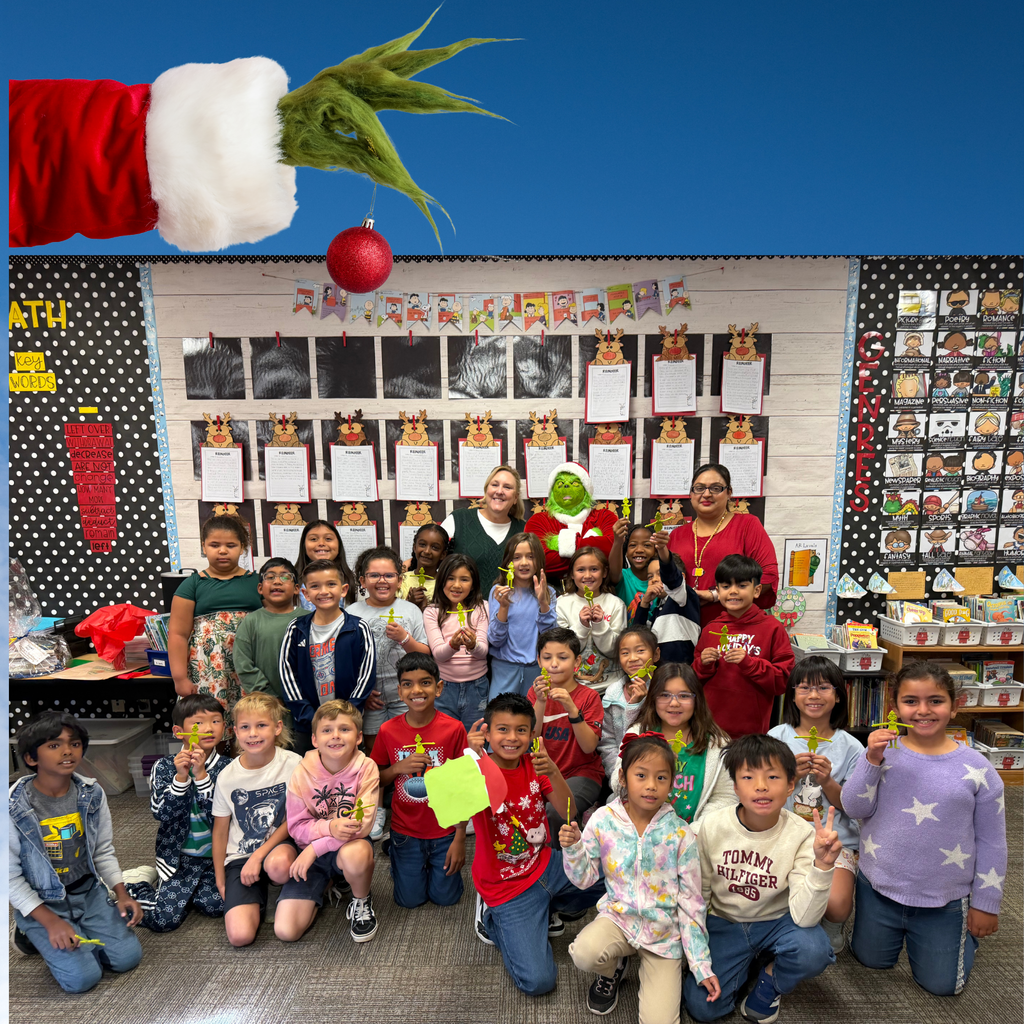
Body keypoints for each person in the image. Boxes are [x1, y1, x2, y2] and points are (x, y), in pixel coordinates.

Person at [843, 662, 1007, 996]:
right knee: (870, 960)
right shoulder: (882, 753)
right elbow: (854, 807)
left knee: (942, 986)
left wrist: (986, 902)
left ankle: (960, 935)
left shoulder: (979, 770)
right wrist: (870, 760)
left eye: (935, 700)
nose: (922, 711)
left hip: (943, 899)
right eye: (911, 701)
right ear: (895, 707)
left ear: (954, 706)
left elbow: (992, 840)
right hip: (878, 888)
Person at [560, 734, 720, 1020]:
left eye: (661, 778)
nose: (651, 785)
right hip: (618, 919)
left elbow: (692, 903)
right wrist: (573, 848)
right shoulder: (603, 820)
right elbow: (583, 880)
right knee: (584, 952)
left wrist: (700, 964)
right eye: (641, 775)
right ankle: (612, 969)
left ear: (672, 782)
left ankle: (656, 969)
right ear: (623, 777)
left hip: (663, 936)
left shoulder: (681, 835)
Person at [682, 735, 840, 1023]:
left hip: (776, 921)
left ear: (791, 784)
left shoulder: (802, 835)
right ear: (735, 786)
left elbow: (805, 919)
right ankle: (744, 962)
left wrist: (822, 866)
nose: (761, 786)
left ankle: (769, 978)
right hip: (723, 922)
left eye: (773, 776)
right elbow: (698, 895)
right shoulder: (709, 826)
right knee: (704, 1009)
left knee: (813, 950)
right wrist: (697, 952)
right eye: (748, 776)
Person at [471, 693, 605, 996]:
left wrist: (553, 771)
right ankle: (492, 917)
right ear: (487, 733)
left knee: (612, 873)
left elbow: (568, 811)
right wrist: (469, 758)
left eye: (521, 730)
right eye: (502, 729)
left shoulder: (535, 763)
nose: (511, 737)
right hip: (507, 887)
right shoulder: (475, 771)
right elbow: (446, 803)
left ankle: (550, 908)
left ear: (533, 734)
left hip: (546, 864)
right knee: (539, 982)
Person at [9, 713, 143, 993]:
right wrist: (50, 922)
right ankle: (28, 931)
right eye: (54, 745)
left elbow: (103, 851)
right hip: (44, 903)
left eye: (75, 743)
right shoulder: (12, 807)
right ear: (32, 758)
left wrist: (121, 894)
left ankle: (77, 928)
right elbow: (7, 877)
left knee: (127, 959)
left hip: (88, 891)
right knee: (82, 980)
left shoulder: (91, 794)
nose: (68, 751)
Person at [769, 656, 864, 953]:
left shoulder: (851, 747)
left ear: (838, 696)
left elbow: (854, 806)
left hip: (835, 841)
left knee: (835, 905)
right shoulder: (777, 738)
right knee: (771, 897)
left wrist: (828, 783)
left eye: (823, 688)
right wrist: (789, 778)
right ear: (792, 696)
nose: (813, 696)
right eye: (804, 688)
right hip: (783, 834)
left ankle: (834, 926)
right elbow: (761, 798)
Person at [371, 653, 478, 908]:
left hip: (445, 831)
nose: (416, 690)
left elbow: (464, 787)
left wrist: (460, 836)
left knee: (446, 898)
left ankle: (420, 864)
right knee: (409, 901)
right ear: (399, 691)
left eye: (425, 682)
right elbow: (376, 779)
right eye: (408, 684)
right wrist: (398, 767)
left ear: (439, 687)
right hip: (406, 830)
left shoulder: (454, 729)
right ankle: (398, 856)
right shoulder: (388, 730)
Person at [122, 694, 229, 931]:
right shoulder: (164, 766)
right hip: (179, 859)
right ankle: (136, 884)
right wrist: (181, 778)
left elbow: (221, 819)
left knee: (216, 906)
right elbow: (161, 813)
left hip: (218, 859)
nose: (208, 728)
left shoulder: (228, 768)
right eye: (198, 723)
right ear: (180, 732)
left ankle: (189, 893)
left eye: (216, 721)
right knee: (164, 920)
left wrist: (201, 777)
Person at [282, 699, 380, 944]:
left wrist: (316, 848)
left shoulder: (366, 767)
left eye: (344, 729)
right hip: (309, 850)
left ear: (358, 737)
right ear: (315, 739)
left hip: (345, 846)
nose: (335, 736)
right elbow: (295, 827)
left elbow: (363, 825)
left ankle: (361, 899)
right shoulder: (301, 770)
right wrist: (328, 828)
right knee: (286, 931)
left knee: (356, 856)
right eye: (327, 730)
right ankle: (327, 882)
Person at [211, 694, 302, 948]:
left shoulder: (294, 764)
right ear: (236, 732)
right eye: (245, 727)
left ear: (277, 727)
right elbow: (220, 832)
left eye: (261, 725)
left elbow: (296, 817)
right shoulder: (227, 777)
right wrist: (220, 879)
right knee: (240, 937)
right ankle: (257, 893)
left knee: (279, 865)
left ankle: (275, 889)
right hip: (241, 856)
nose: (253, 733)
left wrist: (258, 856)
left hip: (279, 847)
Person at [616, 664, 733, 826]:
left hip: (695, 836)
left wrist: (695, 832)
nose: (674, 703)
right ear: (654, 698)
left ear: (696, 699)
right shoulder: (636, 734)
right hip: (640, 832)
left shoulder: (718, 743)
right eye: (664, 695)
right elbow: (618, 783)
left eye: (684, 696)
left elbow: (725, 797)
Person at [280, 559, 376, 756]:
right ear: (306, 594)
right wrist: (309, 716)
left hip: (347, 723)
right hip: (308, 726)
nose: (324, 591)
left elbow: (366, 674)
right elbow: (287, 673)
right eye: (315, 586)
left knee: (349, 776)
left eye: (331, 584)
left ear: (343, 589)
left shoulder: (358, 628)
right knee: (309, 777)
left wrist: (348, 712)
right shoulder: (296, 628)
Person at [693, 555, 794, 737]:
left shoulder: (772, 628)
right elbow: (693, 679)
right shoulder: (710, 629)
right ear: (718, 590)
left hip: (752, 734)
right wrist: (703, 664)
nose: (733, 591)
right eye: (726, 586)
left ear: (756, 591)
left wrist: (750, 664)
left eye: (741, 585)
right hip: (710, 730)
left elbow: (783, 681)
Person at [667, 464, 779, 628]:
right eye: (699, 488)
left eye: (715, 488)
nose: (706, 494)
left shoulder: (747, 526)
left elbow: (768, 577)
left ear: (729, 493)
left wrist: (715, 595)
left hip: (734, 629)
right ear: (691, 494)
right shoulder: (676, 535)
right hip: (682, 629)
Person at [168, 513, 262, 708]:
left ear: (242, 547)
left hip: (252, 667)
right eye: (214, 545)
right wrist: (179, 678)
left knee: (252, 722)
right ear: (204, 546)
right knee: (208, 723)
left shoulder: (258, 582)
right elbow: (178, 634)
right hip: (208, 670)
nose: (222, 551)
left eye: (231, 545)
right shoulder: (192, 585)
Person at [349, 545, 430, 750]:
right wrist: (361, 694)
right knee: (377, 752)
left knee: (410, 749)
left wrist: (404, 639)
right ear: (362, 581)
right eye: (374, 575)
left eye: (389, 575)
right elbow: (346, 661)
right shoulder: (352, 613)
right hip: (371, 700)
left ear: (400, 580)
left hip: (407, 698)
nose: (382, 581)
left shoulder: (410, 610)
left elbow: (426, 655)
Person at [530, 627, 606, 844]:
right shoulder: (534, 694)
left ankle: (564, 864)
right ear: (538, 661)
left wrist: (572, 709)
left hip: (582, 774)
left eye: (562, 657)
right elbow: (531, 741)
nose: (554, 664)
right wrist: (541, 702)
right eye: (547, 657)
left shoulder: (589, 697)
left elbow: (589, 746)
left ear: (577, 662)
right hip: (544, 774)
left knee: (556, 812)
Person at [232, 558, 302, 735]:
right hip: (264, 709)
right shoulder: (251, 622)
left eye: (285, 577)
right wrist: (269, 697)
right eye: (270, 577)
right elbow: (243, 664)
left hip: (304, 707)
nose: (277, 581)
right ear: (260, 588)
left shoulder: (309, 619)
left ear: (296, 589)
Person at [423, 553, 490, 734]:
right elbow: (438, 654)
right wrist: (453, 645)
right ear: (441, 580)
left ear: (473, 583)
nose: (457, 585)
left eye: (464, 579)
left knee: (475, 739)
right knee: (445, 737)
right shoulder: (432, 611)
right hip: (444, 688)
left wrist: (472, 645)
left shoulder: (482, 608)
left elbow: (483, 652)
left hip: (476, 687)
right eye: (451, 578)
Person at [487, 531, 557, 700]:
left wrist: (543, 604)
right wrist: (503, 606)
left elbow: (551, 638)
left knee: (533, 718)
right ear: (508, 562)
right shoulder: (498, 591)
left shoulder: (549, 592)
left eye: (530, 556)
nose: (524, 563)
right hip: (504, 668)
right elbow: (494, 639)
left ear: (538, 560)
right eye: (517, 557)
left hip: (536, 669)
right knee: (500, 716)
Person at [525, 463, 618, 584]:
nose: (567, 486)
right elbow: (540, 562)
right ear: (552, 492)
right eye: (560, 484)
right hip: (552, 594)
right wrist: (593, 545)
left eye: (574, 483)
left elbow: (612, 551)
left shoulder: (604, 516)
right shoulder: (539, 521)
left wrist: (565, 544)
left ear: (586, 490)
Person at [441, 465, 526, 595]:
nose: (499, 491)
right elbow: (431, 558)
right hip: (464, 612)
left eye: (507, 487)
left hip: (509, 613)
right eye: (495, 485)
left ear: (515, 497)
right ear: (486, 490)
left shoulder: (524, 530)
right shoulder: (459, 520)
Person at [556, 545, 628, 693]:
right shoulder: (562, 603)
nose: (587, 575)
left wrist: (600, 625)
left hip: (610, 688)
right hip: (573, 688)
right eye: (581, 570)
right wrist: (582, 625)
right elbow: (562, 651)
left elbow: (615, 651)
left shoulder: (615, 604)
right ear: (571, 574)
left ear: (604, 572)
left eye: (594, 569)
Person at [597, 627, 661, 781]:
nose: (632, 658)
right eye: (625, 653)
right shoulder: (613, 693)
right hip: (622, 773)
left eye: (640, 651)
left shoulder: (664, 690)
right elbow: (608, 742)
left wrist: (637, 705)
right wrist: (618, 775)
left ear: (656, 654)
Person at [630, 527, 701, 664]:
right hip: (659, 670)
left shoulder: (682, 596)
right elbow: (638, 633)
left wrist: (662, 549)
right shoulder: (657, 608)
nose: (654, 580)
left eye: (659, 574)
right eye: (650, 576)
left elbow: (672, 578)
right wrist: (644, 604)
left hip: (680, 669)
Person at [294, 520, 357, 610]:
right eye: (313, 539)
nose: (321, 543)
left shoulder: (350, 578)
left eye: (328, 539)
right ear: (304, 545)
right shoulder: (293, 580)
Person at [609, 521, 658, 617]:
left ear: (656, 551)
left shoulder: (660, 579)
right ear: (626, 552)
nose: (639, 550)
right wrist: (618, 542)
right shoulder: (623, 577)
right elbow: (614, 572)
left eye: (647, 545)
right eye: (633, 545)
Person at [399, 522, 449, 609]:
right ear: (415, 547)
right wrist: (410, 604)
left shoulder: (445, 584)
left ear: (443, 554)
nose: (427, 551)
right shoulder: (402, 580)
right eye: (422, 545)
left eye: (434, 547)